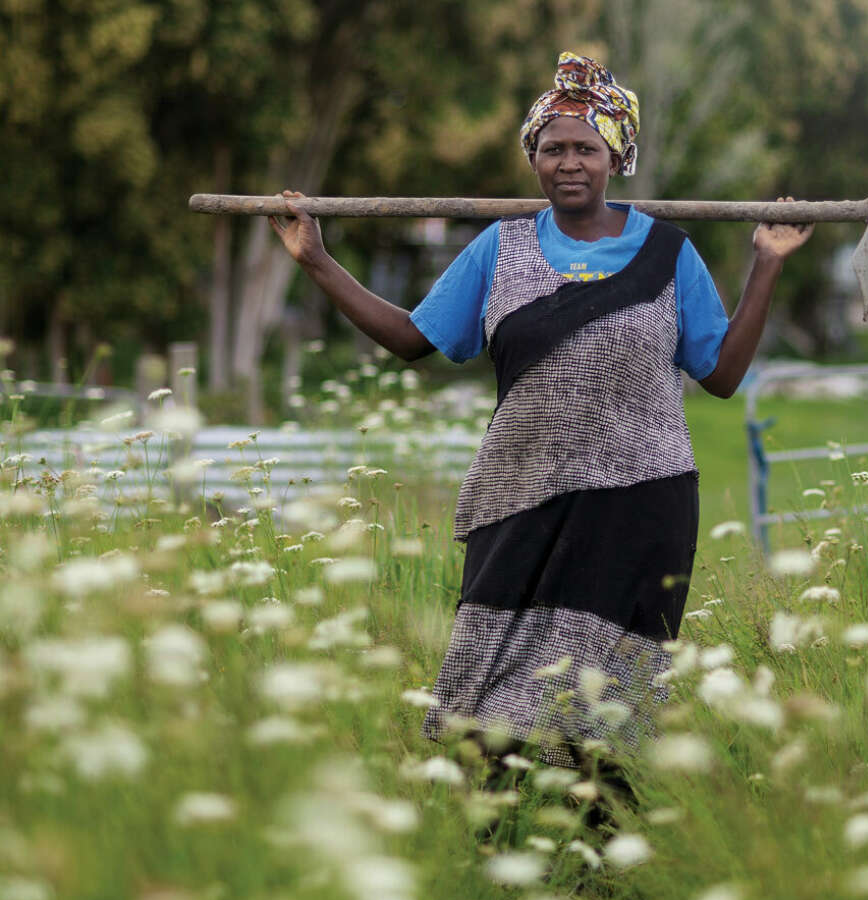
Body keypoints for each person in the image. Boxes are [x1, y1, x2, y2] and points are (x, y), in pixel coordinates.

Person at [268, 52, 812, 794]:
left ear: (616, 155)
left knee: (611, 704)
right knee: (492, 697)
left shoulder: (666, 253)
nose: (568, 163)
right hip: (519, 502)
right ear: (533, 157)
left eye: (585, 147)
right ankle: (501, 843)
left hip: (639, 506)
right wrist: (317, 262)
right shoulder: (498, 249)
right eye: (551, 148)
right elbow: (411, 338)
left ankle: (604, 868)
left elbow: (720, 374)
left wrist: (767, 266)